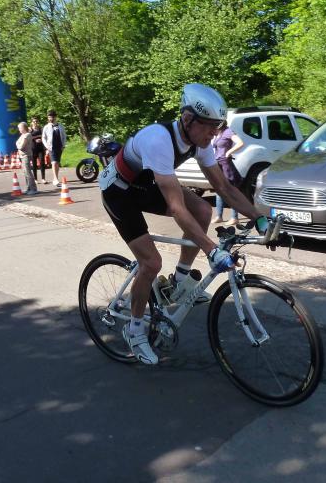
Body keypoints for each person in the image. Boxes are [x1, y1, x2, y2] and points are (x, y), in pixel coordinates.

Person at [98, 83, 269, 365]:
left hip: (145, 186)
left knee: (203, 209)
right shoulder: (158, 140)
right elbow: (177, 208)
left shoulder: (200, 143)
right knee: (151, 263)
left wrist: (259, 217)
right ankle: (135, 330)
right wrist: (212, 250)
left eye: (217, 127)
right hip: (119, 192)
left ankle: (179, 281)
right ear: (188, 119)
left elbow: (224, 188)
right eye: (209, 127)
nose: (213, 134)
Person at [211, 122, 245, 226]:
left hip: (226, 165)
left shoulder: (228, 132)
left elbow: (240, 143)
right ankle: (219, 216)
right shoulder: (219, 133)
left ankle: (234, 218)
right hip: (218, 164)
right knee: (219, 189)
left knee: (231, 190)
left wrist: (228, 152)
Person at [42, 110, 67, 187]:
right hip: (51, 147)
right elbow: (43, 137)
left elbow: (64, 136)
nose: (51, 118)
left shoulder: (60, 126)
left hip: (59, 146)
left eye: (52, 117)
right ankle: (55, 179)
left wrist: (63, 145)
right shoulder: (46, 127)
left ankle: (55, 178)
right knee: (54, 162)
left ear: (55, 117)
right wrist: (47, 146)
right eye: (49, 117)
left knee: (57, 162)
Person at [15, 122, 38, 195]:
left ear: (23, 128)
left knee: (28, 172)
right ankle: (28, 188)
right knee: (25, 172)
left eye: (19, 128)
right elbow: (17, 143)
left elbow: (21, 146)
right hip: (22, 156)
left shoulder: (27, 135)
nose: (19, 129)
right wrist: (18, 145)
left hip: (26, 155)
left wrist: (18, 145)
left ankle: (33, 189)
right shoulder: (22, 135)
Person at [29, 117, 46, 183]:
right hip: (33, 148)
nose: (35, 123)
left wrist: (41, 139)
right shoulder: (30, 129)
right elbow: (29, 137)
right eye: (34, 121)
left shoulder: (41, 128)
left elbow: (44, 137)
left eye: (36, 121)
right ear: (31, 122)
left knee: (42, 162)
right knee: (34, 164)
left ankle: (43, 178)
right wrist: (36, 138)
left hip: (40, 148)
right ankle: (35, 179)